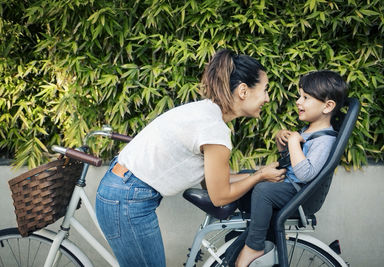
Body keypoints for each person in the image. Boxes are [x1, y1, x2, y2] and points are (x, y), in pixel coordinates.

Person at [95, 49, 287, 267]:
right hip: (127, 199)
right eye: (265, 90)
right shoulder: (214, 130)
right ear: (243, 90)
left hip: (123, 190)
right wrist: (259, 175)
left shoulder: (207, 113)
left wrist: (259, 176)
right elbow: (220, 196)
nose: (268, 98)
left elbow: (214, 183)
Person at [235, 70, 348, 267]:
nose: (298, 101)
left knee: (263, 190)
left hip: (300, 196)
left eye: (305, 97)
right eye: (299, 96)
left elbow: (305, 174)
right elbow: (294, 166)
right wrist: (283, 148)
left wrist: (294, 142)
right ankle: (241, 235)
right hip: (291, 188)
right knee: (248, 176)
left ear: (328, 106)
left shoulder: (325, 140)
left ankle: (254, 246)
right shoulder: (310, 131)